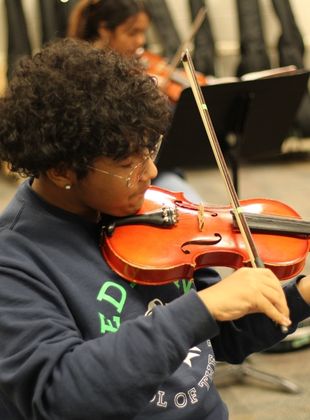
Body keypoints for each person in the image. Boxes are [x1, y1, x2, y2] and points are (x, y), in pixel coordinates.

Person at [0, 38, 310, 420]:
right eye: (128, 163)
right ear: (63, 170)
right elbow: (60, 396)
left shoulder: (155, 218)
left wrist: (301, 295)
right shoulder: (13, 261)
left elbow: (222, 337)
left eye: (150, 150)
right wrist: (199, 310)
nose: (149, 172)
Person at [67, 0, 203, 203]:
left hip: (156, 169)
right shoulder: (86, 76)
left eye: (143, 33)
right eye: (132, 33)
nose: (140, 41)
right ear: (104, 30)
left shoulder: (132, 67)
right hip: (120, 178)